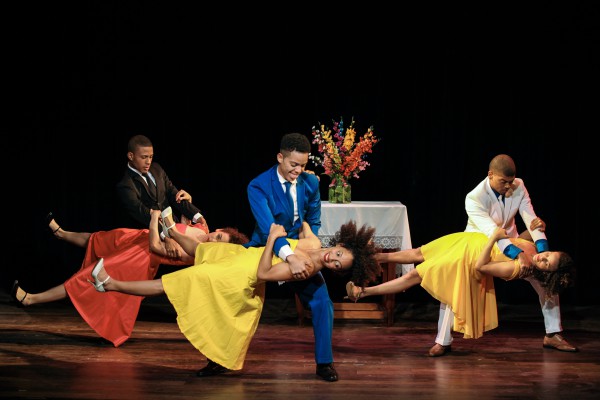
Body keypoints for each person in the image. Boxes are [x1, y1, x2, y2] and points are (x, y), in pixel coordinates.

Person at [88, 212, 380, 378]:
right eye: (338, 253)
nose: (333, 259)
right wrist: (300, 216)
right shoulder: (313, 241)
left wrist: (271, 241)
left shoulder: (302, 269)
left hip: (241, 274)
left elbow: (265, 274)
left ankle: (110, 284)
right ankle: (172, 232)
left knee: (177, 283)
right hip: (242, 257)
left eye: (338, 264)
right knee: (206, 250)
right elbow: (304, 225)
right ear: (340, 243)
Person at [11, 211, 248, 347]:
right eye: (218, 235)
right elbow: (184, 224)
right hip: (136, 239)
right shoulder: (203, 231)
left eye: (218, 242)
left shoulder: (191, 252)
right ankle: (61, 233)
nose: (213, 239)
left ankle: (31, 299)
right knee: (98, 239)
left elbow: (156, 246)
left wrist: (155, 219)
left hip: (138, 258)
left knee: (83, 279)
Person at [428, 154, 577, 357]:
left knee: (547, 279)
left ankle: (553, 334)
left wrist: (543, 254)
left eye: (511, 182)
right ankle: (443, 341)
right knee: (455, 286)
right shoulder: (474, 197)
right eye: (503, 182)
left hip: (512, 240)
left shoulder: (519, 185)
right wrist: (519, 255)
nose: (509, 187)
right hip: (480, 246)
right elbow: (492, 233)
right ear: (490, 175)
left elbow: (531, 219)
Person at [345, 227, 576, 346]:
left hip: (466, 261)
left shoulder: (518, 269)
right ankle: (373, 257)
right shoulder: (535, 251)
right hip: (466, 240)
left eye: (546, 264)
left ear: (546, 274)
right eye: (548, 254)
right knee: (420, 252)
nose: (542, 258)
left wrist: (494, 238)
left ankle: (362, 292)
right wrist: (535, 227)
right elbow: (520, 239)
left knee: (416, 274)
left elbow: (481, 267)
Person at [243, 132, 340, 381]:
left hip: (299, 249)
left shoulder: (310, 183)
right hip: (263, 250)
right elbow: (268, 229)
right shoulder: (258, 186)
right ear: (280, 158)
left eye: (303, 165)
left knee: (322, 301)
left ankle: (324, 363)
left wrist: (307, 246)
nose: (298, 170)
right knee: (235, 299)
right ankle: (218, 359)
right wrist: (290, 257)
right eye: (293, 164)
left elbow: (314, 219)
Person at [115, 134, 208, 232]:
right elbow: (141, 213)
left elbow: (174, 194)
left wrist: (196, 216)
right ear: (131, 156)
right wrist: (167, 236)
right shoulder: (125, 184)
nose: (148, 161)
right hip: (151, 235)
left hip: (174, 226)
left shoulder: (157, 169)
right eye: (144, 157)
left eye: (151, 157)